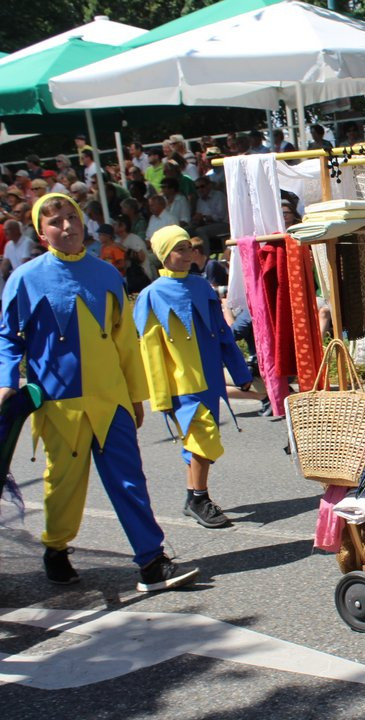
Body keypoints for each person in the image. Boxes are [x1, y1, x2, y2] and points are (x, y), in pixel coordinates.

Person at [0, 194, 199, 591]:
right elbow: (8, 337)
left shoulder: (108, 274)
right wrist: (8, 383)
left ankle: (152, 562)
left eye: (72, 216)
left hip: (112, 401)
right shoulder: (24, 278)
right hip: (59, 403)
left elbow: (126, 342)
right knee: (63, 484)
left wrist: (136, 395)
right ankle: (55, 548)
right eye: (55, 221)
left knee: (130, 481)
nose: (68, 226)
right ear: (41, 233)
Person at [135, 226, 253, 528]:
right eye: (180, 249)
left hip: (211, 378)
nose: (188, 254)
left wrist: (239, 372)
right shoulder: (150, 296)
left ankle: (192, 497)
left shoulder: (202, 287)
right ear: (164, 255)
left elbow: (223, 333)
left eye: (189, 247)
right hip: (180, 383)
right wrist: (159, 397)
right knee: (203, 439)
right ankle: (200, 497)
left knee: (196, 441)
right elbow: (150, 351)